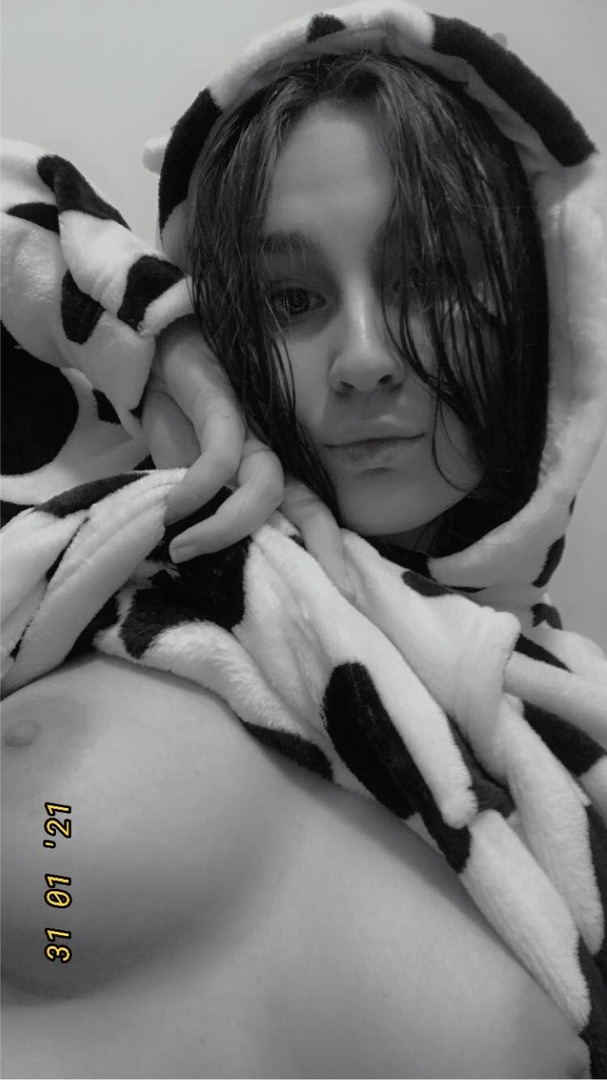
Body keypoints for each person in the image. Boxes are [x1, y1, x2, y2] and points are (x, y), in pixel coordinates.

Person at [2, 2, 607, 1077]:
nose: (365, 356)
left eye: (434, 276)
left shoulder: (576, 743)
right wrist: (165, 352)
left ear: (545, 305)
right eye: (287, 299)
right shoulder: (108, 537)